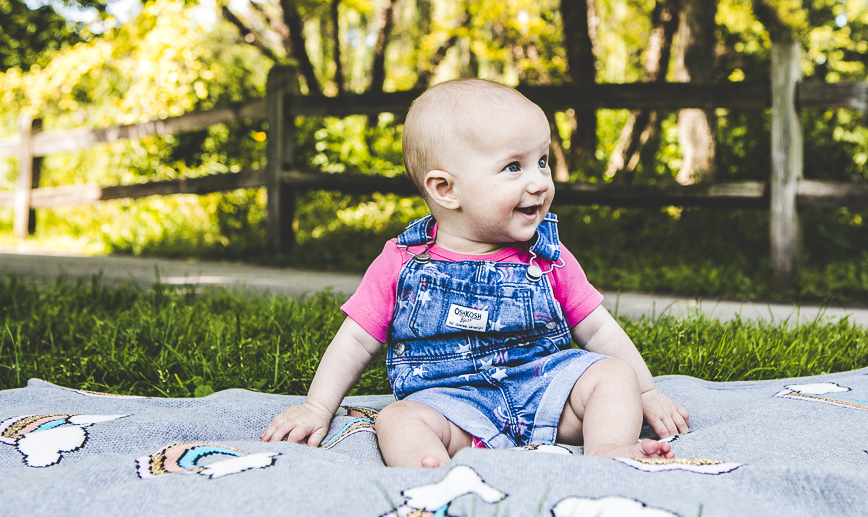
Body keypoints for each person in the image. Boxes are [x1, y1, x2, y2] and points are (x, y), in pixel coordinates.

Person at [261, 79, 689, 467]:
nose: (539, 182)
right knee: (398, 419)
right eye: (513, 167)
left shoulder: (549, 257)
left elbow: (599, 330)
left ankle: (607, 450)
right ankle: (428, 470)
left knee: (613, 376)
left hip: (547, 394)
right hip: (453, 407)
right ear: (446, 189)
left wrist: (645, 392)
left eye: (542, 161)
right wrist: (317, 408)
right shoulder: (401, 262)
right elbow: (354, 340)